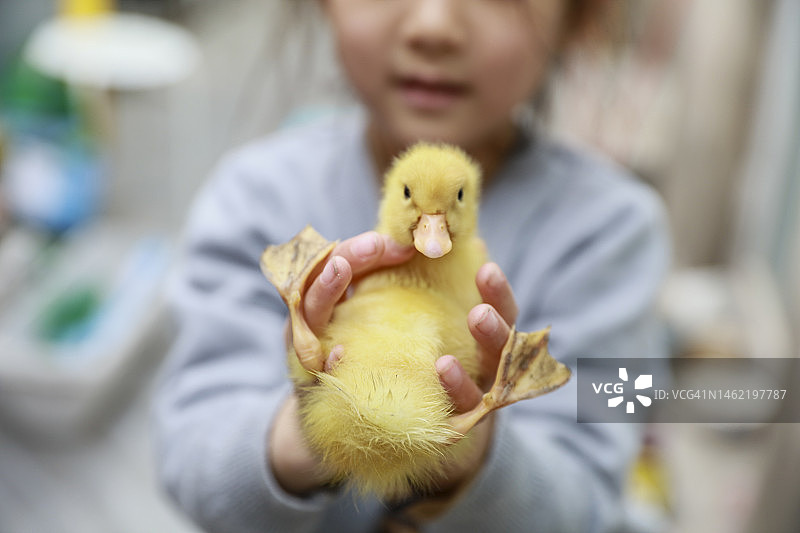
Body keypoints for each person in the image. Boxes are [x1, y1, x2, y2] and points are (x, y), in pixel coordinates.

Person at [154, 1, 670, 532]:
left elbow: (588, 503)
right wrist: (301, 429)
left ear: (577, 17)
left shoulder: (615, 233)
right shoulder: (255, 198)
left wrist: (473, 449)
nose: (433, 26)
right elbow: (189, 457)